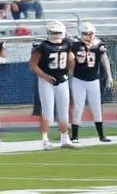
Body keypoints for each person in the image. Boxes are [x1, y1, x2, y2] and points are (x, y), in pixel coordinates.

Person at [30, 21, 75, 150]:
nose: (56, 36)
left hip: (62, 79)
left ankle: (65, 137)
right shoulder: (43, 46)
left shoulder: (67, 44)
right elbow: (32, 65)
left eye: (58, 33)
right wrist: (45, 76)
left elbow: (71, 59)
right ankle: (45, 140)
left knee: (64, 110)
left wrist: (71, 70)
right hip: (47, 80)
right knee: (47, 111)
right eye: (53, 33)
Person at [69, 22, 111, 144]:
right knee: (78, 108)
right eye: (85, 34)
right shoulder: (74, 44)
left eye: (90, 33)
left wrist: (109, 76)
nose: (88, 36)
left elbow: (104, 59)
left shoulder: (99, 44)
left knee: (96, 108)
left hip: (93, 80)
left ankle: (101, 135)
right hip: (78, 79)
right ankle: (75, 136)